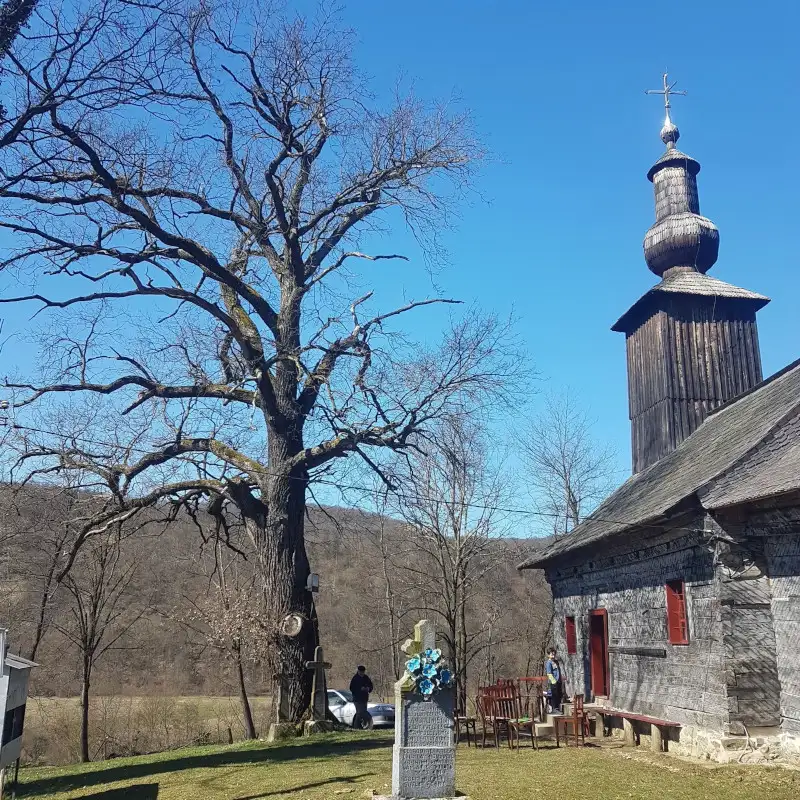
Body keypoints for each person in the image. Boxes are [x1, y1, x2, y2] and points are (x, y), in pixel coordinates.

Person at [349, 665, 374, 729]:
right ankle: (358, 726)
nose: (362, 673)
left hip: (364, 698)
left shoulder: (366, 678)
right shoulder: (355, 678)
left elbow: (371, 686)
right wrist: (360, 689)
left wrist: (368, 689)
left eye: (363, 672)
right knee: (360, 712)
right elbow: (351, 688)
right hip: (357, 699)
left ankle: (361, 726)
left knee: (361, 713)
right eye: (361, 672)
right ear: (358, 671)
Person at [545, 647, 564, 714]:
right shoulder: (549, 663)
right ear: (548, 655)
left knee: (559, 694)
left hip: (558, 680)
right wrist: (554, 681)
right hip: (554, 682)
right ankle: (554, 708)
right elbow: (549, 673)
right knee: (554, 695)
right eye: (551, 654)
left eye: (554, 654)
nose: (553, 656)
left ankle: (558, 708)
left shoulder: (555, 662)